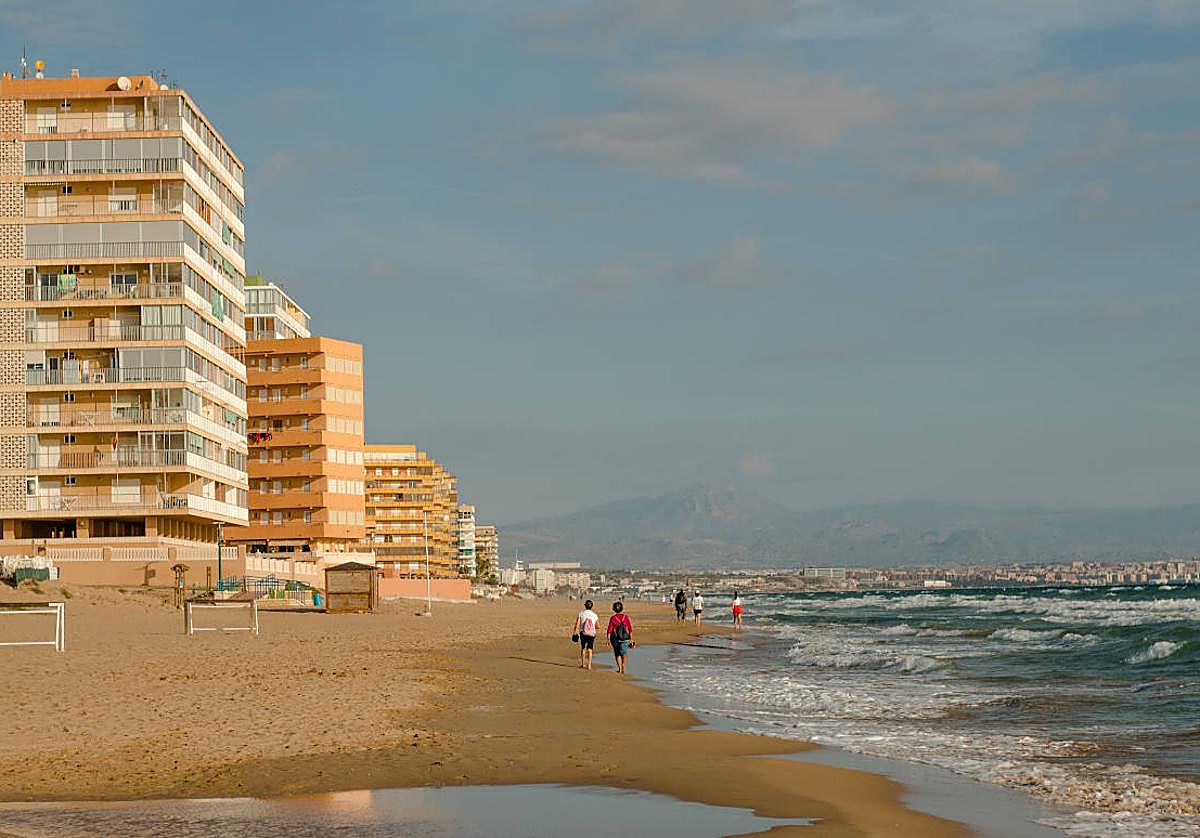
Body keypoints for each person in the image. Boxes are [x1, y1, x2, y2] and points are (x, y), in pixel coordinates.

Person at [607, 601, 634, 674]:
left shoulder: (613, 618)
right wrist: (631, 639)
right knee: (624, 653)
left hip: (615, 639)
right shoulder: (626, 617)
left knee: (617, 653)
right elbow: (630, 629)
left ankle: (620, 668)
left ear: (613, 609)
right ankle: (623, 665)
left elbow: (609, 630)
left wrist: (608, 640)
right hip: (625, 638)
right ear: (622, 608)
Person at [572, 599, 599, 670]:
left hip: (583, 633)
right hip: (592, 634)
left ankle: (583, 664)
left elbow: (577, 624)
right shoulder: (595, 615)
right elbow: (598, 626)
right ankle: (589, 665)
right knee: (590, 649)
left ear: (585, 606)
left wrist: (575, 632)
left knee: (583, 648)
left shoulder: (581, 613)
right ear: (592, 606)